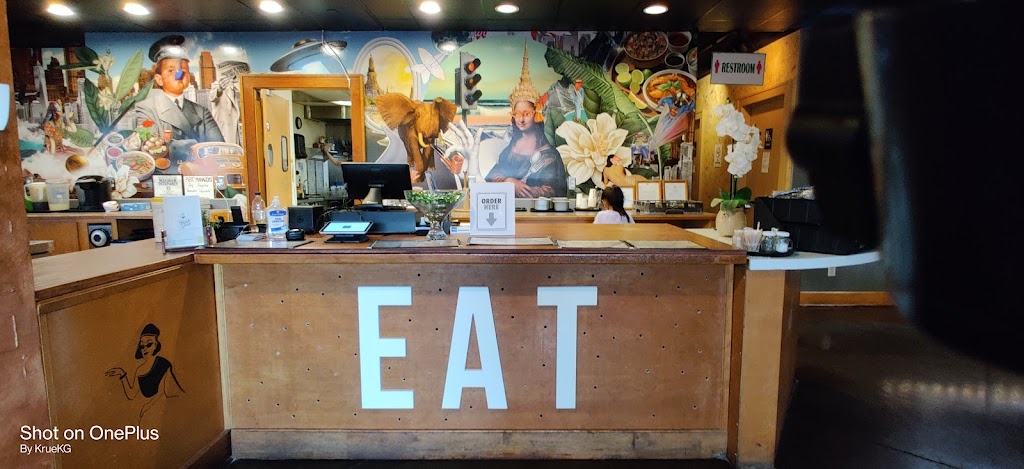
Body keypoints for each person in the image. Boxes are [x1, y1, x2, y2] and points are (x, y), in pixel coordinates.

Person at [485, 43, 567, 198]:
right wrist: (509, 182)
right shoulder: (512, 146)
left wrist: (526, 190)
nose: (521, 119)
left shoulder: (548, 153)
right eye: (517, 114)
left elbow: (554, 189)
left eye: (526, 114)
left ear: (536, 115)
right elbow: (494, 173)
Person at [134, 35, 224, 144]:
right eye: (171, 71)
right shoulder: (146, 109)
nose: (179, 75)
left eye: (184, 71)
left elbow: (219, 147)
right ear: (159, 79)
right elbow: (151, 145)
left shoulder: (202, 112)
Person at [105, 323, 185, 421]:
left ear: (155, 345)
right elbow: (131, 394)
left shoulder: (163, 363)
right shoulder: (140, 370)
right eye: (142, 346)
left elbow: (163, 391)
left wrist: (147, 406)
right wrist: (122, 374)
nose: (145, 348)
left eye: (149, 344)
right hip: (147, 413)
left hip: (164, 411)